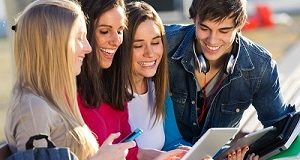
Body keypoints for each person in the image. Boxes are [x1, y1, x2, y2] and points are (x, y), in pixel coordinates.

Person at [4, 0, 136, 160]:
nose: (88, 48)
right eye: (79, 38)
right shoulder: (33, 107)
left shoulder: (51, 98)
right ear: (53, 44)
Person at [165, 0, 295, 146]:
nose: (212, 40)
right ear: (194, 19)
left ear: (239, 26)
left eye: (224, 31)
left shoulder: (261, 65)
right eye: (204, 28)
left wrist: (251, 153)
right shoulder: (163, 43)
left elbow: (279, 127)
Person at [76, 0, 186, 159]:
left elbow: (132, 152)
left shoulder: (115, 94)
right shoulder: (76, 91)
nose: (115, 41)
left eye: (120, 31)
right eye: (138, 45)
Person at [125, 1, 190, 151]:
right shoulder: (108, 96)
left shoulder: (158, 88)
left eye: (155, 42)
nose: (150, 53)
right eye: (138, 46)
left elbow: (172, 142)